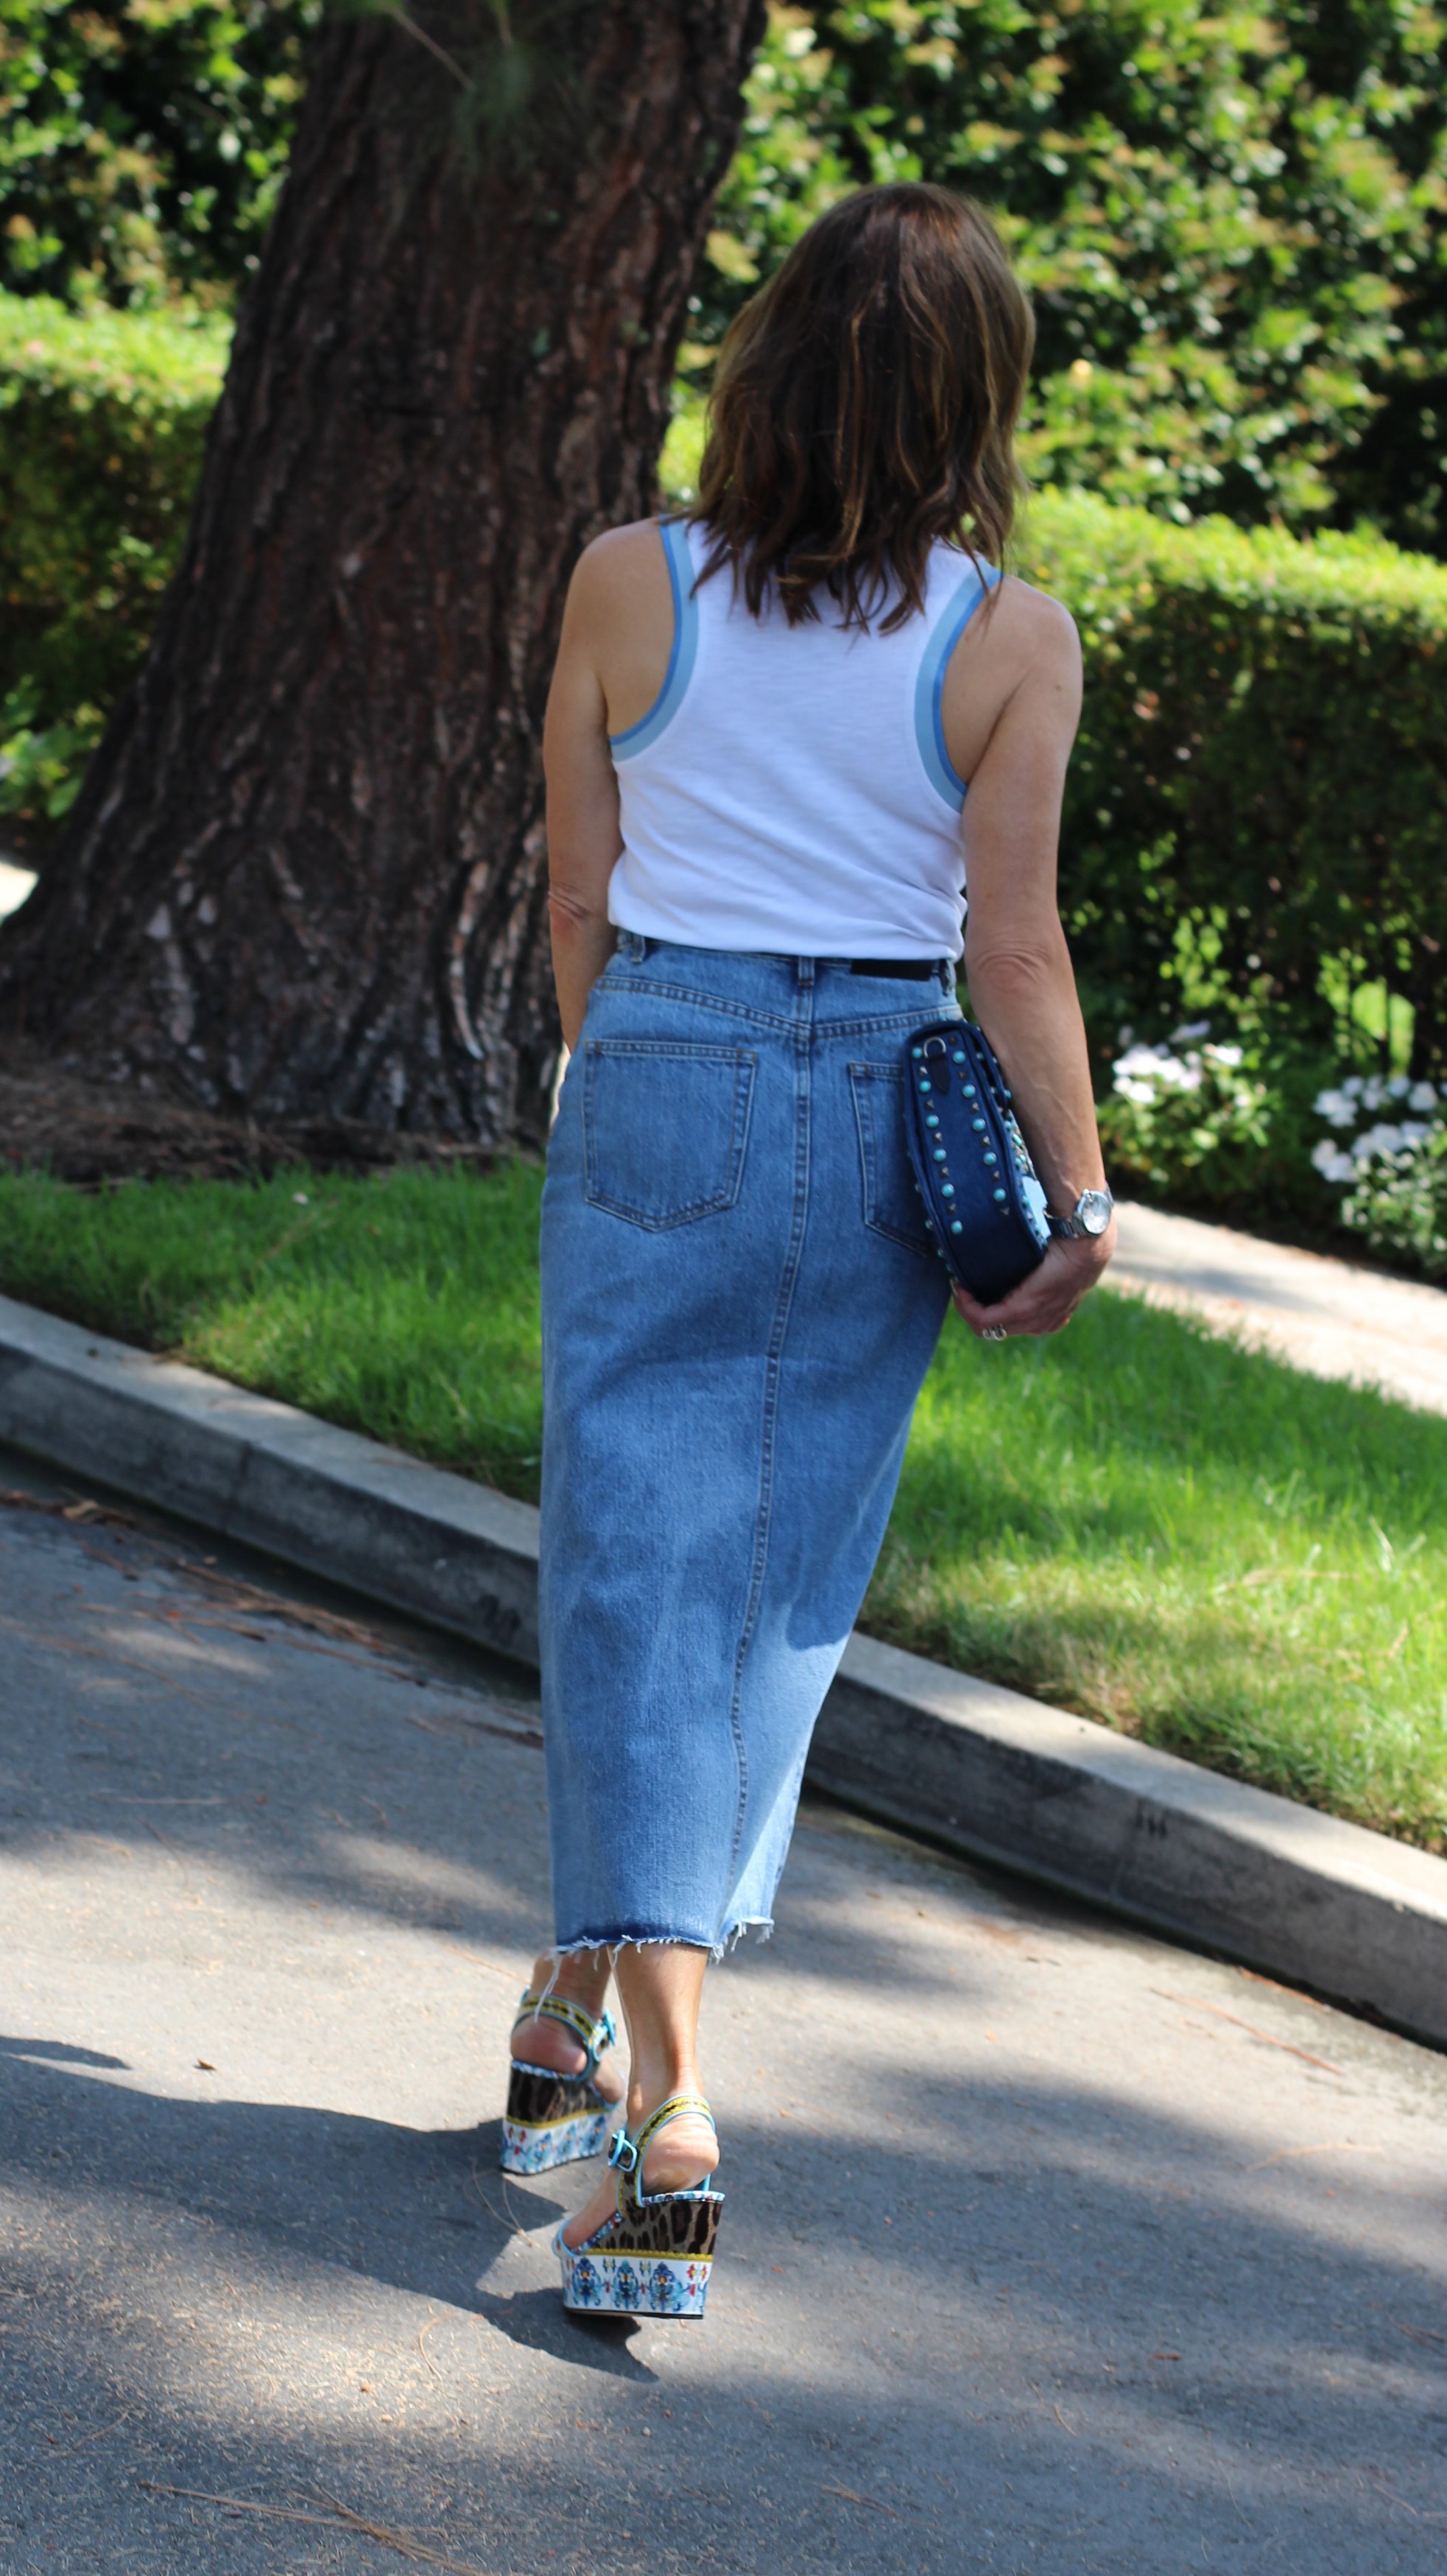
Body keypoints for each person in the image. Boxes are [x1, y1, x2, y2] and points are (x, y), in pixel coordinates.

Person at [504, 181, 1115, 2320]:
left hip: (662, 1048)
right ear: (978, 402)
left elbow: (576, 896)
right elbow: (1014, 944)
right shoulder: (1006, 638)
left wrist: (631, 1089)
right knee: (766, 1581)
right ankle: (598, 2015)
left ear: (757, 368)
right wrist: (1081, 1194)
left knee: (629, 1561)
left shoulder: (624, 583)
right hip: (881, 1083)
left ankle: (654, 2099)